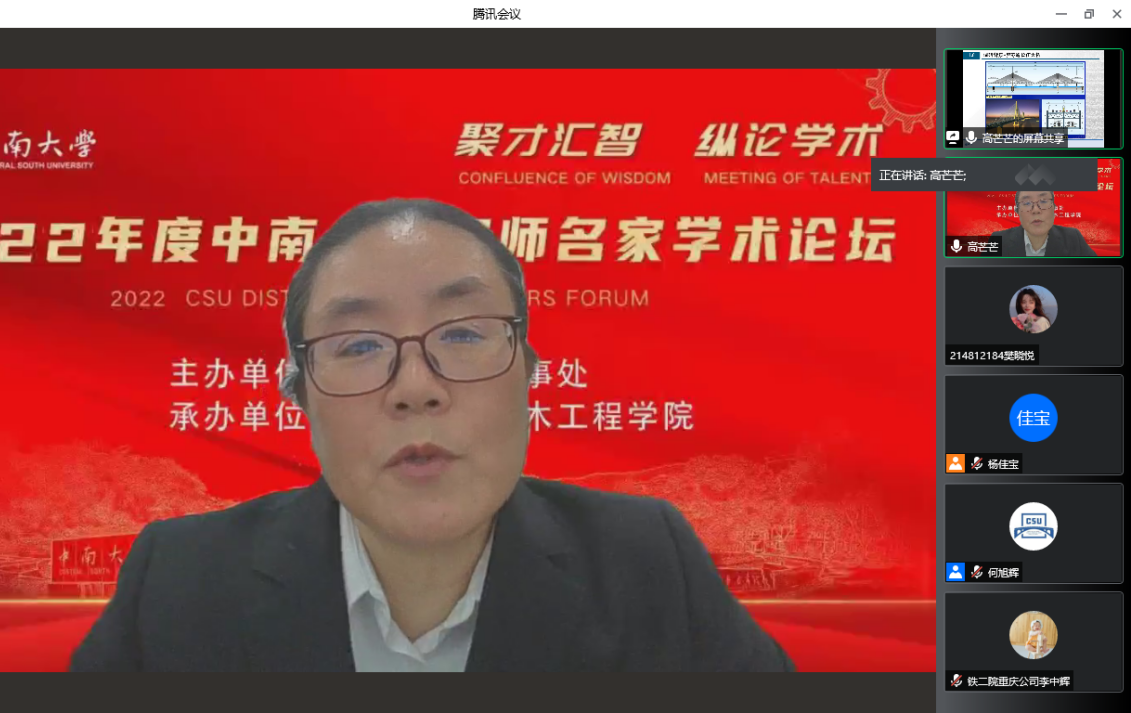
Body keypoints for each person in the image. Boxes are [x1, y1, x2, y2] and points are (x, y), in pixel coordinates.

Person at [69, 198, 795, 672]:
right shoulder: (180, 581)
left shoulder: (648, 562)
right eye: (359, 345)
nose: (415, 388)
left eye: (464, 333)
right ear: (300, 397)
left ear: (530, 375)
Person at [993, 190, 1097, 257]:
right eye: (1027, 203)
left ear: (1054, 208)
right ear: (1017, 212)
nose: (1036, 210)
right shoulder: (999, 240)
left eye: (1043, 201)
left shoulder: (1073, 238)